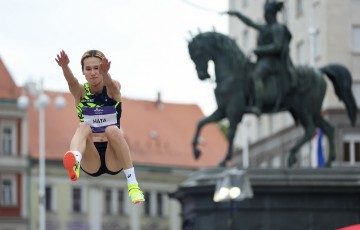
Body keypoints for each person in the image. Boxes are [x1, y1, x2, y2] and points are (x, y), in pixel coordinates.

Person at [55, 50, 145, 204]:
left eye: (97, 68)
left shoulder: (113, 87)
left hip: (114, 155)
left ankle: (133, 185)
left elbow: (111, 86)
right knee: (83, 126)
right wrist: (64, 67)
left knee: (112, 129)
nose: (93, 73)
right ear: (83, 72)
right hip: (91, 157)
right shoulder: (81, 92)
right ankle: (75, 159)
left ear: (103, 68)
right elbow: (72, 83)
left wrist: (106, 74)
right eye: (88, 69)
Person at [223, 0, 296, 115]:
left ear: (271, 14)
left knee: (256, 75)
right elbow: (250, 23)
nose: (265, 15)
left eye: (266, 13)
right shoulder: (265, 28)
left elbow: (278, 46)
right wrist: (237, 14)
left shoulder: (277, 28)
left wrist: (259, 50)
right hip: (262, 61)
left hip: (273, 62)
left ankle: (258, 105)